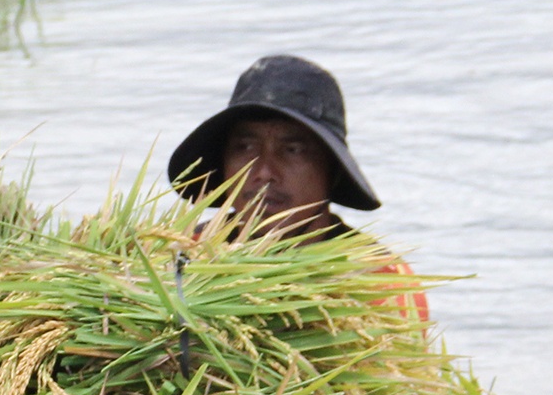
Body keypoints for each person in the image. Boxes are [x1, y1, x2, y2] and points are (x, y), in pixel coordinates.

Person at [166, 53, 430, 323]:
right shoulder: (179, 260)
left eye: (293, 150)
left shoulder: (380, 284)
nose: (264, 172)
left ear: (333, 170)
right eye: (244, 147)